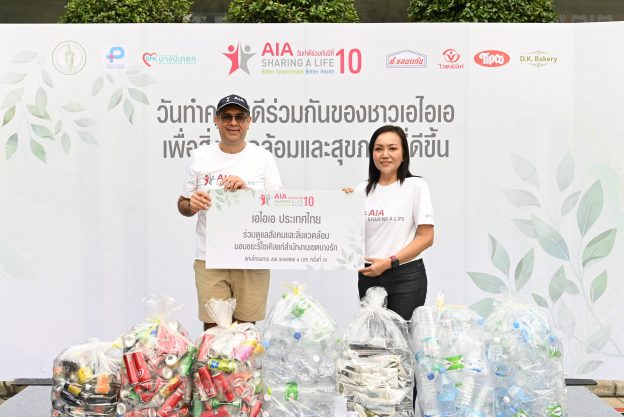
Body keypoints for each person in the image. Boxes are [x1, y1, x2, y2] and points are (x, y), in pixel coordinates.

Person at [178, 94, 282, 330]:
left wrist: (247, 193)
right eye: (226, 117)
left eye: (239, 117)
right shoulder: (200, 157)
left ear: (249, 121)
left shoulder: (263, 158)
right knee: (214, 331)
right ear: (216, 120)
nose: (233, 122)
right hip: (210, 257)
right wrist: (192, 204)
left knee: (246, 331)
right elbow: (183, 204)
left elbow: (277, 207)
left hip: (252, 256)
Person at [345, 124, 434, 321]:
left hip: (405, 276)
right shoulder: (362, 189)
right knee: (373, 338)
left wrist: (389, 262)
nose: (385, 154)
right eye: (379, 149)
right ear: (372, 155)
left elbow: (426, 237)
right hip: (369, 275)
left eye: (392, 148)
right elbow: (349, 235)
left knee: (402, 338)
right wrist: (343, 204)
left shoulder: (415, 186)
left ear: (404, 154)